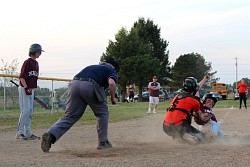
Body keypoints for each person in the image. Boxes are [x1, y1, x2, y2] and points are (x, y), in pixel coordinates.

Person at [41, 57, 119, 152]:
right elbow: (111, 83)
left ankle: (51, 135)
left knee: (70, 116)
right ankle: (103, 142)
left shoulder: (93, 67)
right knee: (102, 113)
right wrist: (113, 98)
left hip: (74, 84)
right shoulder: (111, 69)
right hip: (90, 85)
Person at [163, 76, 209, 145]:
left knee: (183, 113)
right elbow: (199, 115)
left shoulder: (177, 96)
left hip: (166, 127)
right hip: (179, 126)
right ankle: (188, 136)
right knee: (202, 138)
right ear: (194, 88)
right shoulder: (194, 101)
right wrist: (203, 119)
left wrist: (204, 79)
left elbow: (197, 87)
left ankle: (180, 137)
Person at [16, 43, 44, 140]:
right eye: (38, 52)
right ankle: (19, 132)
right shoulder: (27, 62)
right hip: (24, 88)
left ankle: (28, 133)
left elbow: (34, 78)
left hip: (31, 89)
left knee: (30, 111)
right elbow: (22, 77)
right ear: (33, 51)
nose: (40, 54)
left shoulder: (36, 64)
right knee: (25, 110)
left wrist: (32, 89)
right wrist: (26, 87)